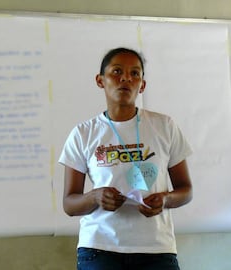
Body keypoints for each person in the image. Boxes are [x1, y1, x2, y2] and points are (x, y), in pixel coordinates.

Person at [58, 47, 193, 270]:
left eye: (135, 74)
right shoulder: (84, 133)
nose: (126, 79)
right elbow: (69, 204)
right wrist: (95, 197)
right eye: (117, 71)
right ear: (100, 80)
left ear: (143, 85)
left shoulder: (164, 126)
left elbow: (185, 189)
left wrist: (165, 200)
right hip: (100, 249)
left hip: (156, 249)